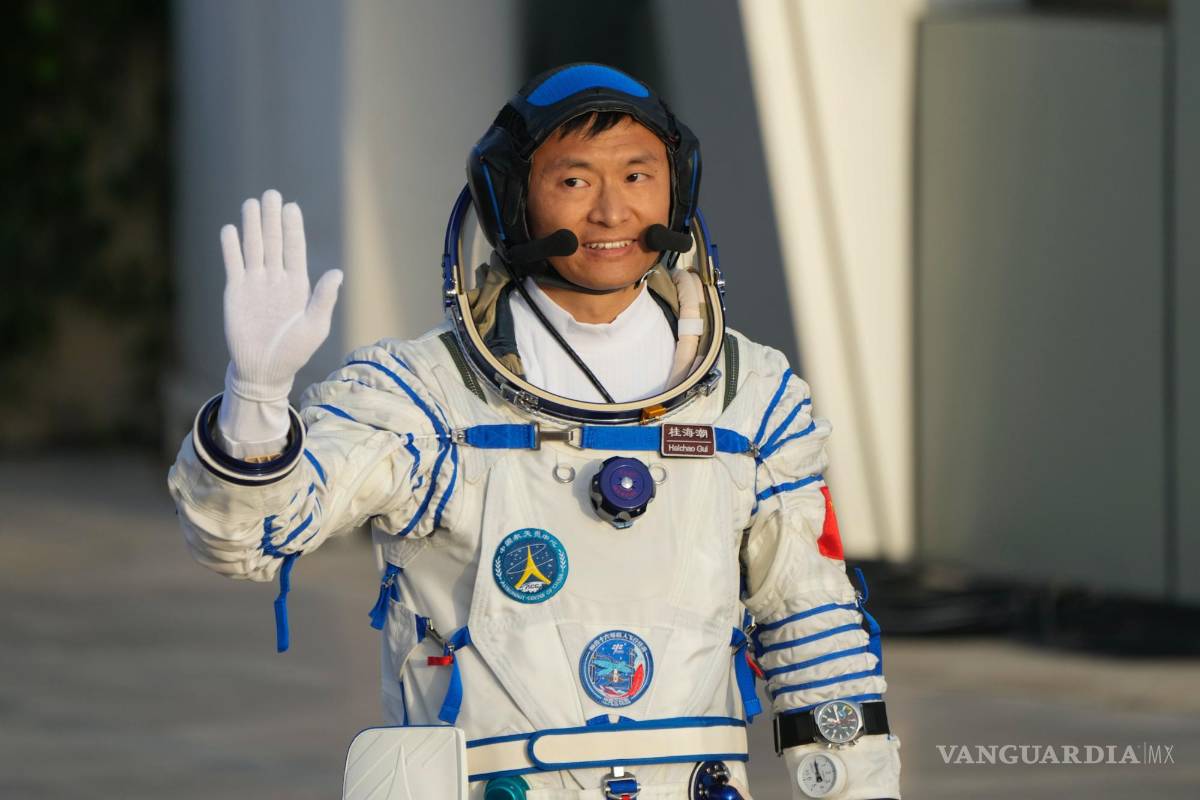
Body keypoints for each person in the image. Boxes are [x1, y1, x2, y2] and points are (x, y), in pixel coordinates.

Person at [167, 63, 902, 799]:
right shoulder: (426, 397)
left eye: (639, 176)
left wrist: (855, 786)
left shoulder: (752, 398)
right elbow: (250, 536)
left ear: (677, 188)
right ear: (511, 200)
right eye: (575, 182)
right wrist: (256, 401)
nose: (612, 212)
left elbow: (813, 624)